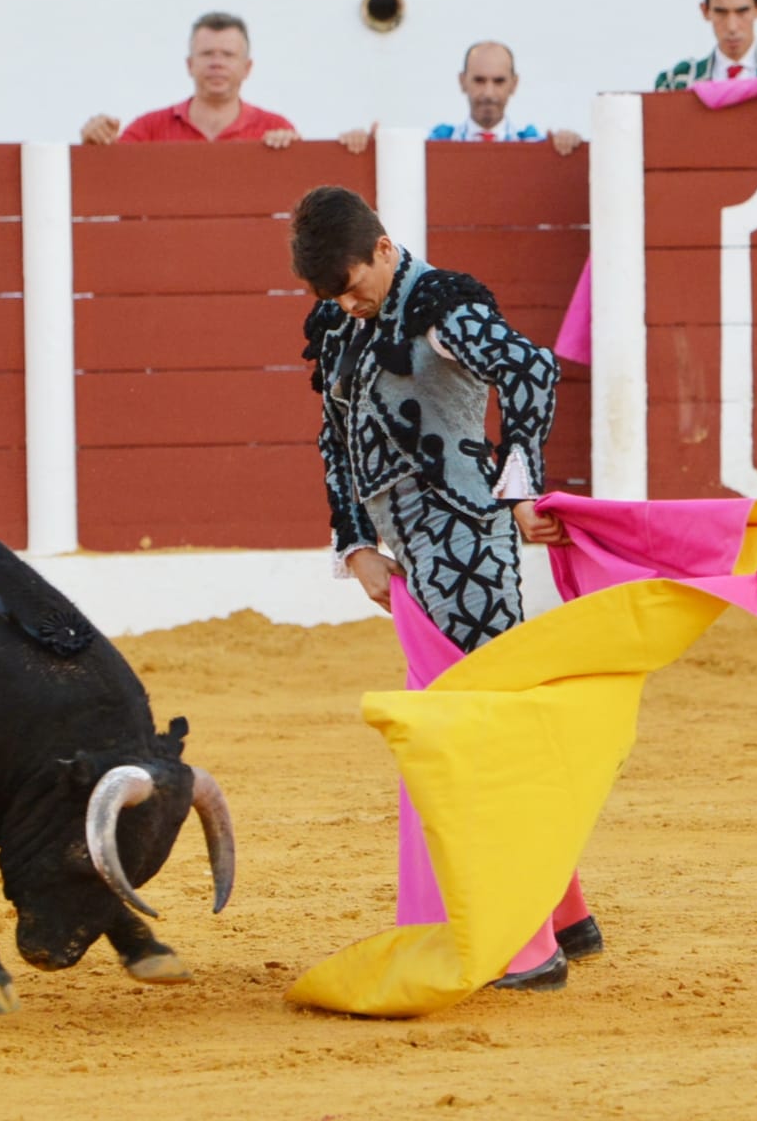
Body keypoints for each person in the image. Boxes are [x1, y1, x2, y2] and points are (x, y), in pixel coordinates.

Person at [291, 184, 600, 990]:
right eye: (335, 295)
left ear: (385, 249)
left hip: (469, 548)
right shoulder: (338, 320)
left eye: (356, 285)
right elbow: (333, 434)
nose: (350, 306)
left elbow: (531, 372)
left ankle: (526, 944)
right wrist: (354, 541)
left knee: (472, 738)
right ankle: (562, 911)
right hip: (410, 553)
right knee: (479, 727)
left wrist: (520, 487)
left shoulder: (442, 305)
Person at [79, 12, 299, 148]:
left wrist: (293, 152)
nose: (217, 63)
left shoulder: (276, 130)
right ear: (189, 65)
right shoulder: (148, 130)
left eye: (228, 55)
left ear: (247, 68)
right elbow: (110, 178)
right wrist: (95, 141)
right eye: (207, 53)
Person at [338, 41, 581, 155]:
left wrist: (569, 144)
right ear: (462, 81)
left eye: (498, 81)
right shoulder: (432, 145)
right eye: (479, 80)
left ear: (513, 84)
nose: (488, 93)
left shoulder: (535, 147)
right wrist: (363, 144)